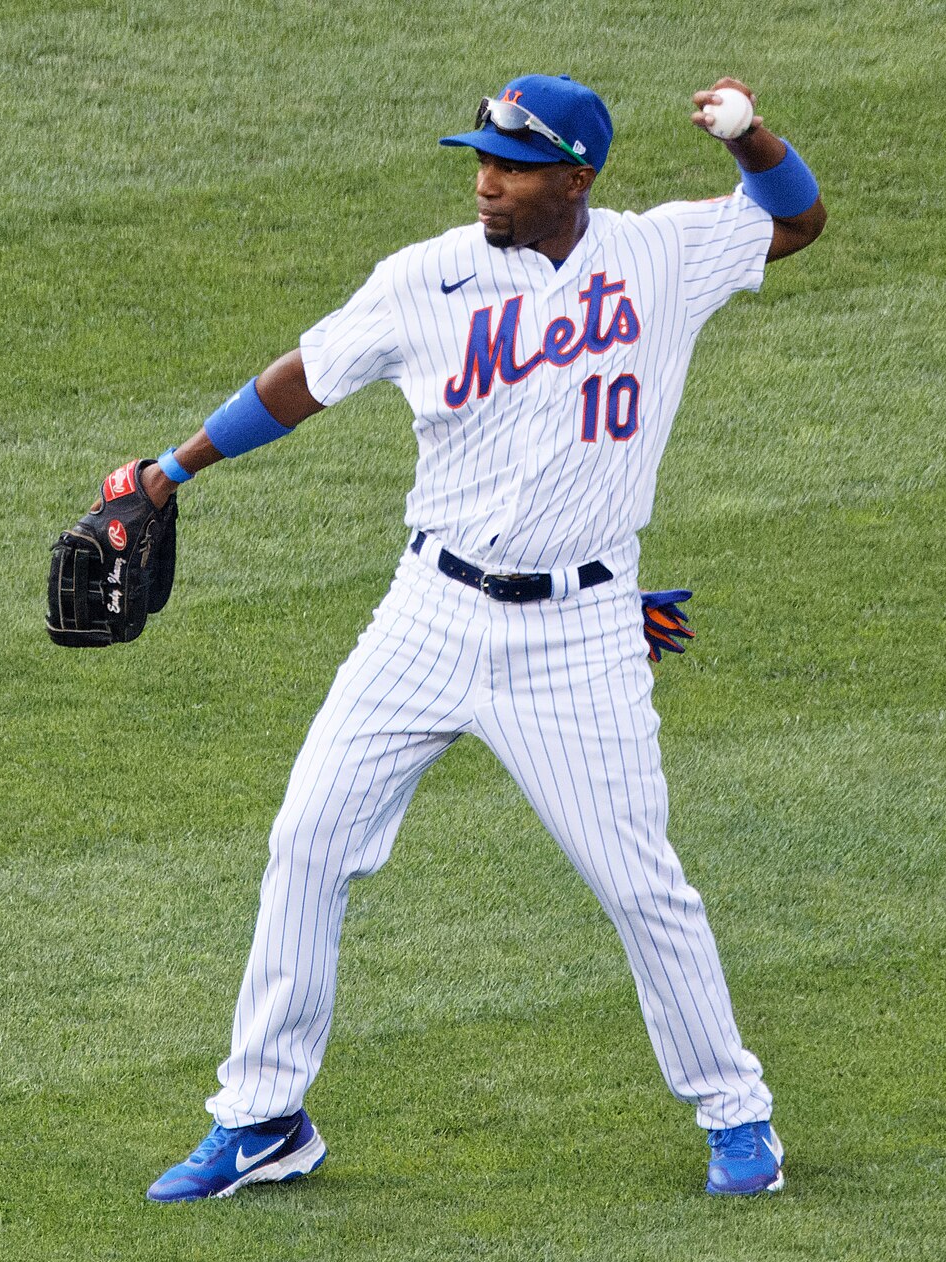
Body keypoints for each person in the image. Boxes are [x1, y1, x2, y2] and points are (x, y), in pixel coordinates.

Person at [141, 73, 826, 1202]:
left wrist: (753, 137)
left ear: (577, 179)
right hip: (426, 614)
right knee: (308, 840)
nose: (485, 179)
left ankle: (735, 1109)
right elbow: (303, 379)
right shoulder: (426, 276)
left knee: (639, 883)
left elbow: (794, 220)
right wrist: (169, 472)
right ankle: (263, 1118)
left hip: (581, 631)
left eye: (511, 164)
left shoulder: (661, 255)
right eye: (482, 157)